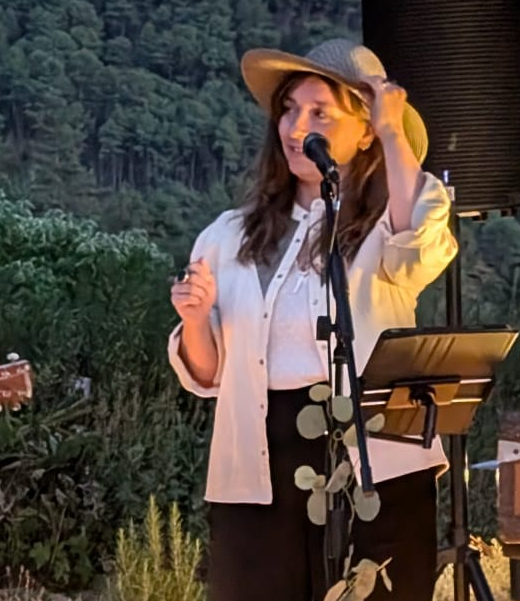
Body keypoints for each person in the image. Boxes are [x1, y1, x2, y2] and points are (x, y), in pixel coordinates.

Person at [167, 38, 458, 601]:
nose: (296, 126)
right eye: (289, 109)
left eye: (320, 112)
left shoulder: (385, 226)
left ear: (366, 130)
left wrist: (395, 129)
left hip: (375, 453)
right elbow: (206, 376)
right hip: (260, 461)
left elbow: (422, 240)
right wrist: (196, 319)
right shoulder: (228, 235)